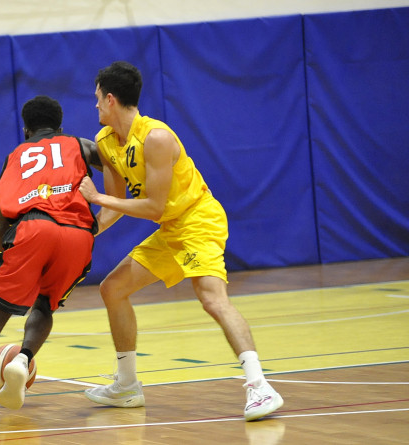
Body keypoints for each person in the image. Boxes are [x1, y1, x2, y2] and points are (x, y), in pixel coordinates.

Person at [78, 61, 284, 421]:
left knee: (212, 299)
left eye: (97, 98)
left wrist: (97, 198)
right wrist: (84, 234)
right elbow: (114, 206)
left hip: (198, 220)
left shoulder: (156, 137)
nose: (94, 105)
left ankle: (260, 386)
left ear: (111, 99)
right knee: (112, 289)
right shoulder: (106, 142)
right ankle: (126, 385)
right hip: (171, 228)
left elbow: (153, 207)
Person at [0, 95, 101, 435]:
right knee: (45, 305)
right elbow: (119, 166)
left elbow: (2, 221)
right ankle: (23, 358)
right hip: (79, 234)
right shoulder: (81, 144)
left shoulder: (15, 157)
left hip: (34, 228)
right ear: (60, 126)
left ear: (26, 129)